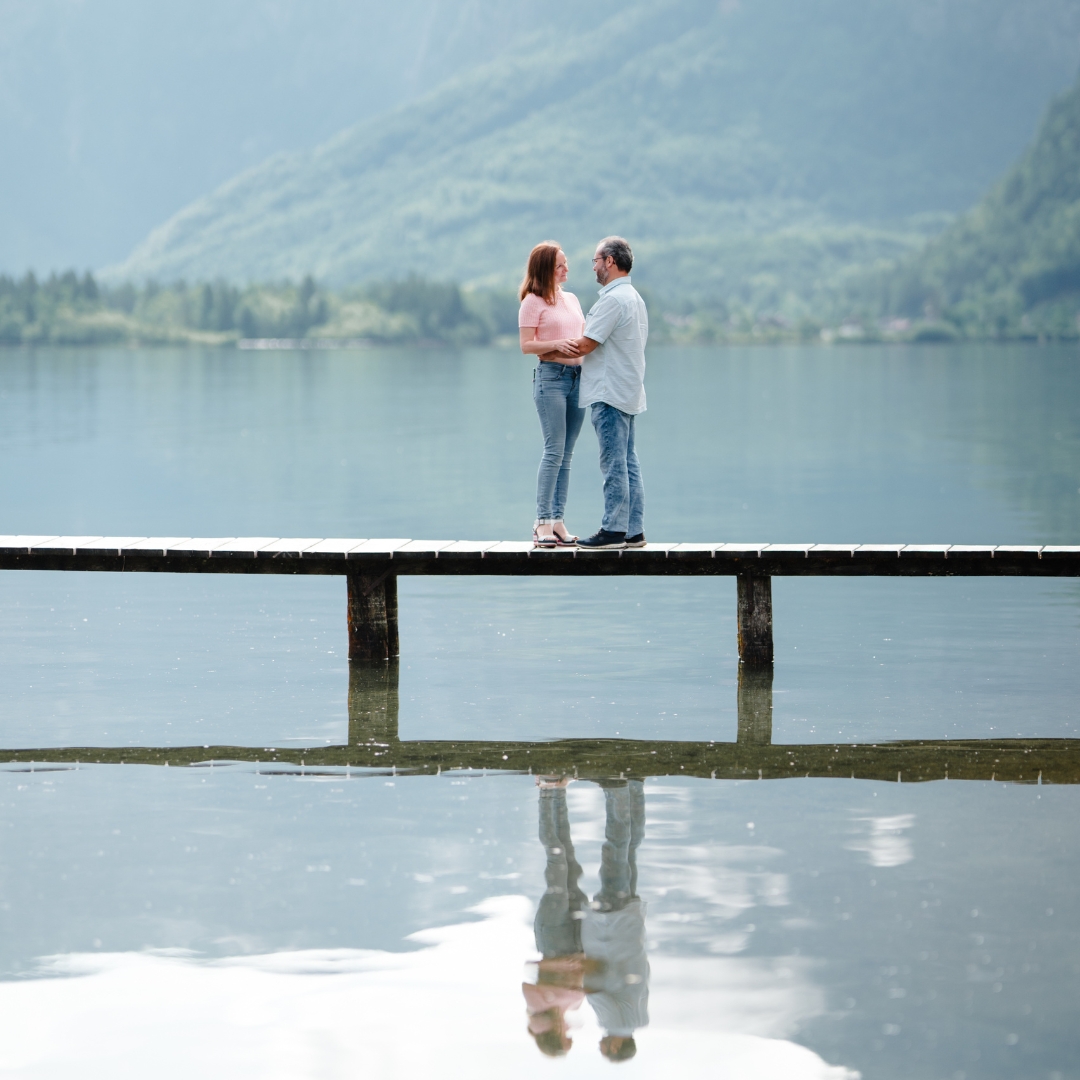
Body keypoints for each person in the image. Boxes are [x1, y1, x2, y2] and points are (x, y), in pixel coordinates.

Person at [523, 776, 649, 1061]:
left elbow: (536, 975)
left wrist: (568, 969)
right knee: (567, 858)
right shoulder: (574, 1010)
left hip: (556, 938)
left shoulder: (541, 1013)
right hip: (581, 936)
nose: (570, 1033)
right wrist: (579, 970)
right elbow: (591, 979)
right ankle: (556, 792)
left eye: (565, 1037)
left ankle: (550, 791)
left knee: (560, 859)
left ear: (555, 1035)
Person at [567, 236, 648, 551]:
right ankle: (633, 531)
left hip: (609, 390)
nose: (594, 268)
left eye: (595, 261)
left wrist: (548, 346)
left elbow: (587, 344)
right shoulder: (634, 298)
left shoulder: (612, 300)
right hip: (627, 389)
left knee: (613, 462)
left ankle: (613, 530)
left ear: (610, 261)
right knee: (628, 462)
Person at [518, 242, 587, 548]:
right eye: (561, 265)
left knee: (567, 454)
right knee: (553, 451)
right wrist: (558, 345)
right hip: (551, 378)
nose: (566, 269)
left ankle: (558, 521)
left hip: (578, 379)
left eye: (566, 263)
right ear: (546, 268)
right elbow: (526, 345)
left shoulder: (571, 299)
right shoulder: (532, 301)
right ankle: (542, 522)